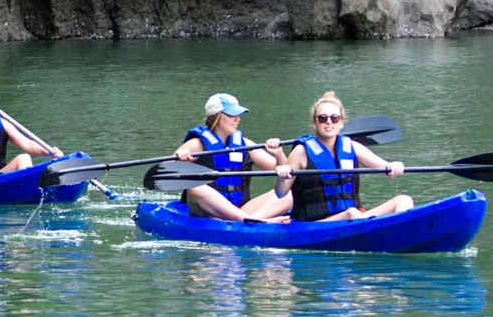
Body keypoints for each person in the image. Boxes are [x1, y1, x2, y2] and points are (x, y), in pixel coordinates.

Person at [271, 90, 413, 222]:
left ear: (341, 123)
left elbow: (385, 168)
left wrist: (394, 166)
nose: (329, 122)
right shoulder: (301, 152)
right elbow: (280, 193)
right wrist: (282, 176)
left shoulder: (352, 147)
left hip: (354, 218)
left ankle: (397, 230)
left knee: (404, 200)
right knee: (351, 213)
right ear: (314, 123)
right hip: (316, 224)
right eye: (322, 118)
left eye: (334, 118)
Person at [173, 92, 289, 221]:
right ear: (216, 116)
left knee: (291, 192)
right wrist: (180, 161)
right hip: (208, 212)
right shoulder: (196, 144)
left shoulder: (245, 144)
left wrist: (279, 154)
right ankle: (255, 221)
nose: (237, 119)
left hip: (242, 209)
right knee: (196, 187)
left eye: (238, 115)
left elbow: (288, 173)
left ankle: (254, 220)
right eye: (231, 115)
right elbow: (164, 174)